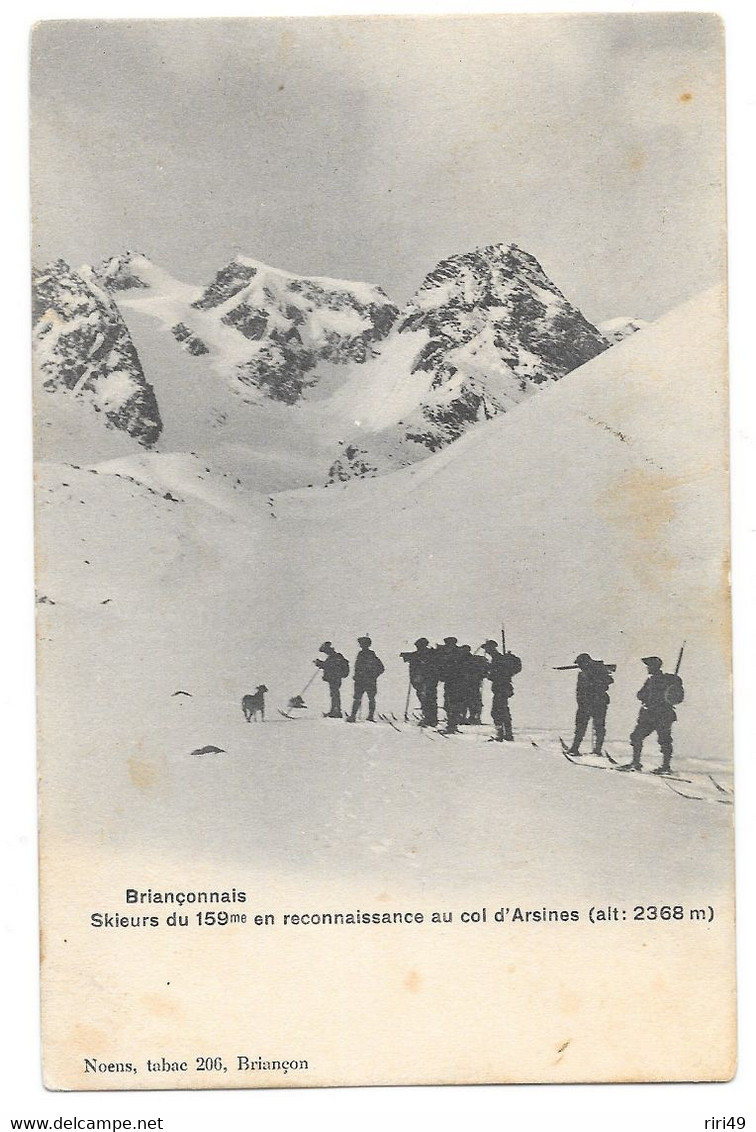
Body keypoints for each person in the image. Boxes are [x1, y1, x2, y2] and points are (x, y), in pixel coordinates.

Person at [618, 656, 684, 774]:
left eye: (649, 666)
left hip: (653, 715)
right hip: (663, 715)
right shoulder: (669, 679)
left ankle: (637, 763)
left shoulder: (653, 680)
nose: (648, 668)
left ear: (654, 667)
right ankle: (665, 766)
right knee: (663, 740)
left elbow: (641, 695)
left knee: (639, 737)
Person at [566, 653, 614, 756]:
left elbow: (609, 681)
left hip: (598, 703)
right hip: (584, 704)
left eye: (580, 664)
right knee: (580, 727)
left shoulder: (598, 670)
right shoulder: (583, 673)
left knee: (598, 727)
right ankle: (575, 748)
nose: (580, 666)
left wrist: (595, 676)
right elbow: (579, 690)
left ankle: (597, 750)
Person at [481, 640, 522, 742]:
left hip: (501, 687)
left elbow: (498, 674)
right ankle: (506, 734)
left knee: (497, 711)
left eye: (487, 649)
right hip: (502, 688)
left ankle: (503, 734)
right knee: (502, 710)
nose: (486, 651)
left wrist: (488, 674)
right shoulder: (498, 659)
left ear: (491, 648)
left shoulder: (498, 659)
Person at [346, 636, 385, 722]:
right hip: (364, 680)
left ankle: (356, 716)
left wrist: (372, 676)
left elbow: (381, 668)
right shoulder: (364, 655)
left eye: (362, 643)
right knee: (366, 698)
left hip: (364, 681)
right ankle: (359, 716)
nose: (361, 645)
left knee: (363, 698)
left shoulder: (370, 655)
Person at [400, 638, 437, 726]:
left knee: (426, 699)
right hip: (425, 681)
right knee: (429, 699)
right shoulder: (428, 654)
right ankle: (431, 718)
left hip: (425, 681)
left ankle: (429, 719)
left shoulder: (426, 654)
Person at [436, 637, 465, 733]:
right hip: (455, 682)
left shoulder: (454, 654)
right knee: (451, 703)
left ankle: (452, 726)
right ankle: (452, 724)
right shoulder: (459, 653)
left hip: (454, 682)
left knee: (451, 703)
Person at [314, 641, 349, 718]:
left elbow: (330, 666)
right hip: (335, 678)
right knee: (334, 694)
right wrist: (321, 664)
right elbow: (329, 665)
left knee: (334, 694)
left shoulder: (334, 657)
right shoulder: (335, 656)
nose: (325, 653)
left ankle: (336, 711)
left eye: (326, 651)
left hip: (334, 678)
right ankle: (335, 710)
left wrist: (320, 664)